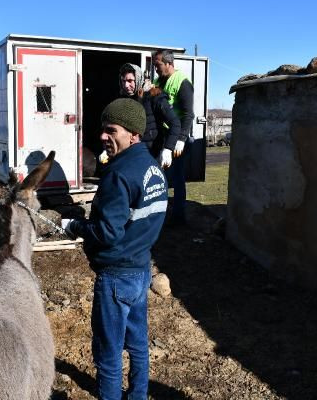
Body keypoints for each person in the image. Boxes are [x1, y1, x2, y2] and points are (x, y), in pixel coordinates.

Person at [62, 98, 168, 399]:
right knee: (137, 346)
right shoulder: (153, 169)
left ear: (133, 134)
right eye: (103, 130)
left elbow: (107, 232)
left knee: (108, 354)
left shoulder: (118, 174)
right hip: (140, 271)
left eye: (111, 130)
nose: (103, 137)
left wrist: (77, 227)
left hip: (116, 277)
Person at [153, 49, 195, 224]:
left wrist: (181, 139)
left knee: (177, 178)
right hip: (161, 137)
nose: (156, 69)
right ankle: (157, 214)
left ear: (169, 64)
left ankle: (178, 216)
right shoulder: (158, 81)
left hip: (177, 138)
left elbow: (188, 115)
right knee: (158, 176)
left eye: (158, 65)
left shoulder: (182, 82)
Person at [118, 63, 181, 169]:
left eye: (130, 81)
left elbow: (175, 123)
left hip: (152, 155)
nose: (126, 85)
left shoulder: (154, 96)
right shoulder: (124, 101)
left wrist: (168, 149)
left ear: (138, 79)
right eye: (123, 81)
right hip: (132, 155)